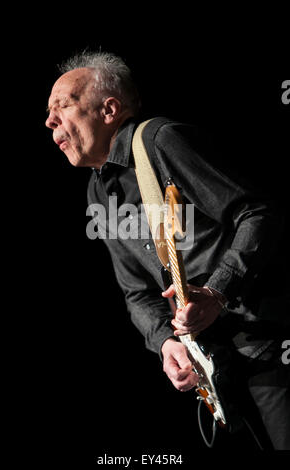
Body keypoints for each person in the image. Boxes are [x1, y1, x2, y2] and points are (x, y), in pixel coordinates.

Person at [45, 51, 290, 450]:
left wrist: (217, 292)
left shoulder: (160, 141)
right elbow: (136, 292)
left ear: (109, 109)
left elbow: (258, 212)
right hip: (215, 363)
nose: (49, 121)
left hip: (264, 340)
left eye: (62, 106)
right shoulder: (96, 191)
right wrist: (165, 343)